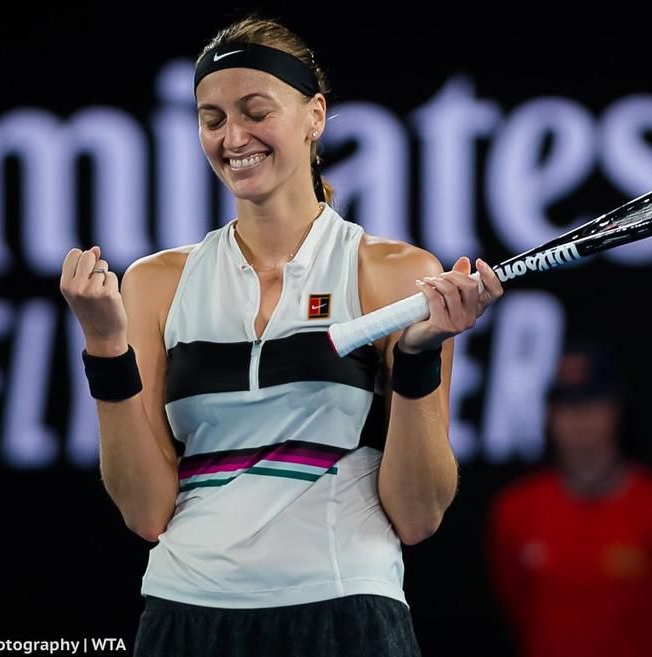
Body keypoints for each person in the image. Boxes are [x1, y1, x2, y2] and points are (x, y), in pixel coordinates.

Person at [58, 13, 504, 657]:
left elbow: (418, 515)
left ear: (314, 116)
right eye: (212, 119)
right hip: (186, 617)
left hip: (345, 614)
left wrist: (417, 356)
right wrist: (105, 348)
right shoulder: (154, 284)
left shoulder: (395, 274)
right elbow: (146, 513)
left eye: (255, 111)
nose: (233, 137)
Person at [485, 339, 652, 657]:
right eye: (567, 405)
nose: (580, 417)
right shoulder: (515, 510)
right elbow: (515, 609)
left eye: (592, 401)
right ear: (548, 414)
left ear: (616, 409)